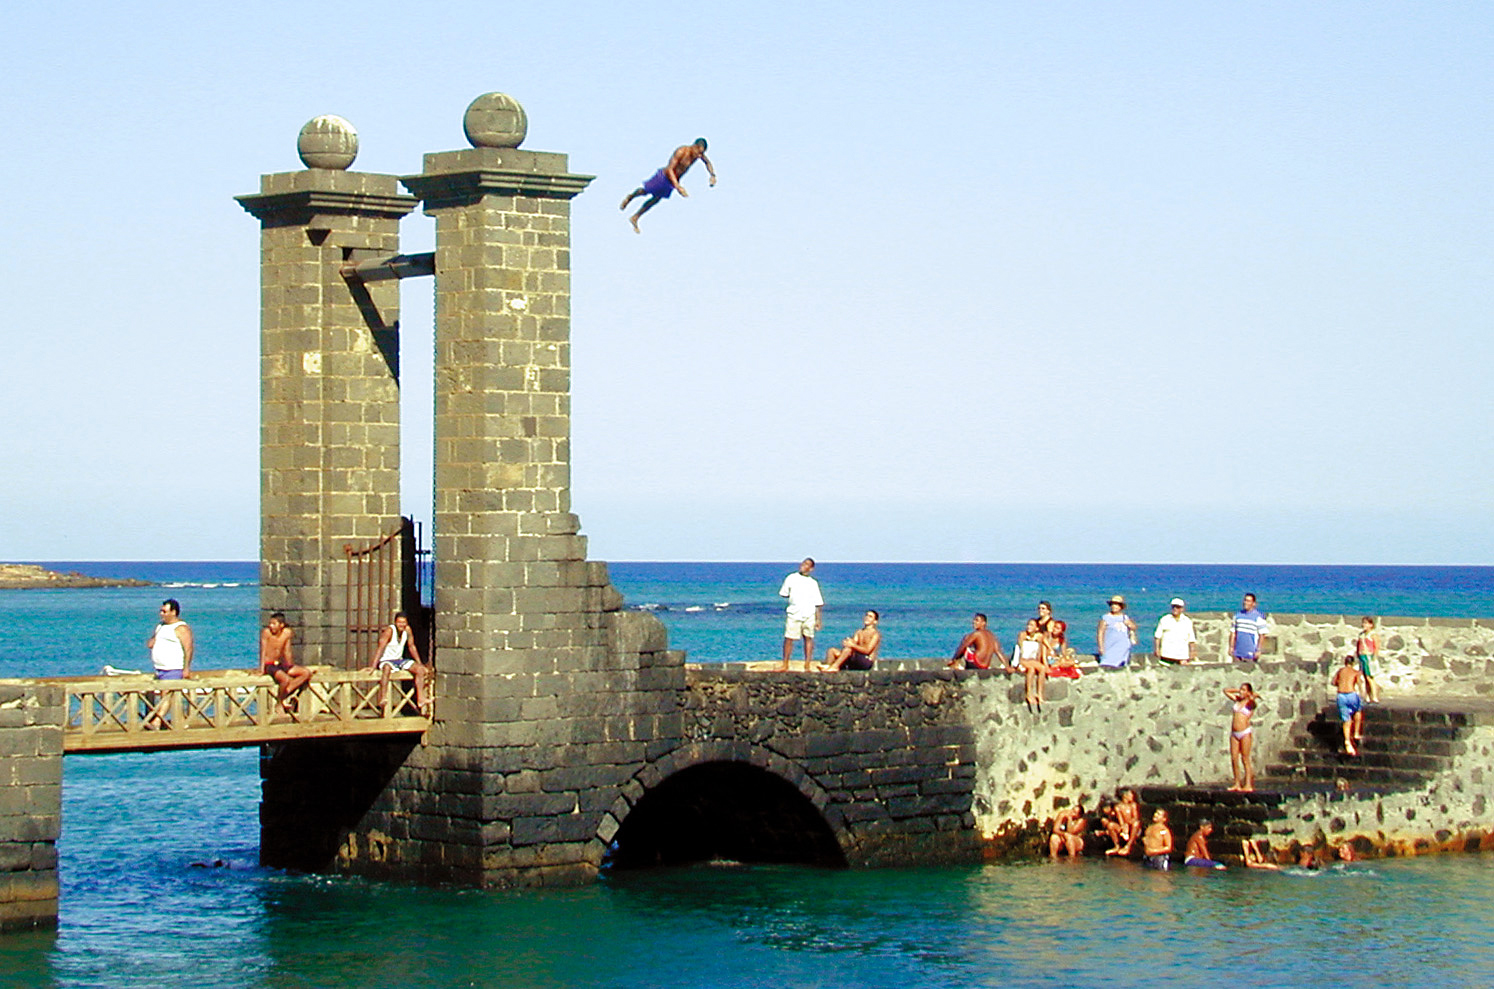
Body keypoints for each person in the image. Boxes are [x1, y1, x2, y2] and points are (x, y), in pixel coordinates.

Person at [619, 138, 716, 233]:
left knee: (656, 199)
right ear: (694, 147)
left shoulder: (698, 155)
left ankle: (635, 217)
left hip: (671, 183)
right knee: (645, 191)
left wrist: (712, 175)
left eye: (701, 154)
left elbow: (707, 163)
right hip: (664, 176)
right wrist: (678, 186)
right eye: (699, 152)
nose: (699, 156)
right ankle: (630, 197)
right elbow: (670, 169)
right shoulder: (682, 151)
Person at [369, 612, 430, 715]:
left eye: (403, 623)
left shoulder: (407, 630)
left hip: (399, 660)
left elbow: (411, 647)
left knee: (420, 670)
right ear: (395, 622)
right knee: (387, 669)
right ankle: (383, 697)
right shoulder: (389, 631)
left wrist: (419, 663)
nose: (401, 625)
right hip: (387, 660)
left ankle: (421, 698)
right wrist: (373, 666)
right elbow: (381, 647)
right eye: (399, 622)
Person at [260, 612, 312, 714]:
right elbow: (263, 651)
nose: (271, 626)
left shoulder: (287, 633)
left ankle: (284, 695)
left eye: (274, 624)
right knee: (285, 679)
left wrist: (290, 665)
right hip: (269, 664)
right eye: (270, 623)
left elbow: (287, 651)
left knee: (306, 673)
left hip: (280, 664)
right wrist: (262, 669)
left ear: (281, 625)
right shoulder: (266, 633)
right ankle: (279, 703)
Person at [778, 558, 824, 671]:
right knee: (789, 638)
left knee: (808, 638)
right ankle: (785, 663)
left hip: (809, 614)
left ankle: (807, 664)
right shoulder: (791, 578)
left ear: (811, 568)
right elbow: (784, 593)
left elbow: (818, 603)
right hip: (794, 613)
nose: (804, 566)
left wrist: (818, 620)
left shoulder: (813, 583)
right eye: (803, 564)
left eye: (807, 565)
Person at [147, 599, 194, 680]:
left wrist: (186, 669)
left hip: (173, 670)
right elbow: (150, 644)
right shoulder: (160, 626)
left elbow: (188, 649)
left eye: (164, 612)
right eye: (161, 611)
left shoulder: (181, 628)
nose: (161, 614)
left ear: (173, 612)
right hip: (159, 669)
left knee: (168, 692)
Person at [1225, 682, 1260, 791]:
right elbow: (1226, 691)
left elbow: (1254, 701)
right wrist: (1238, 690)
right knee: (1234, 758)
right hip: (1234, 733)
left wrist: (1250, 695)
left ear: (1249, 692)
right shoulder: (1237, 700)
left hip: (1244, 732)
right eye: (1241, 689)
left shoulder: (1250, 703)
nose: (1241, 691)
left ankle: (1248, 784)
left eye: (1244, 690)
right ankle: (1237, 783)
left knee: (1245, 758)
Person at [1332, 654, 1366, 755]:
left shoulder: (1340, 671)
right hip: (1351, 694)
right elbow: (1359, 684)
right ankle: (1356, 733)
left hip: (1341, 695)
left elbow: (1334, 682)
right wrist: (1363, 694)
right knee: (1358, 711)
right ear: (1353, 663)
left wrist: (1342, 682)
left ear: (1345, 662)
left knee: (1346, 720)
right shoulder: (1356, 672)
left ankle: (1347, 741)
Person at [1016, 618, 1049, 711]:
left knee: (1042, 668)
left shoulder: (1039, 637)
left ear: (1036, 628)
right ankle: (1029, 693)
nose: (1029, 627)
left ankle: (1039, 693)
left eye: (1031, 625)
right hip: (1023, 659)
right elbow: (1020, 648)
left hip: (1032, 659)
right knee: (1031, 669)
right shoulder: (1023, 635)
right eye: (1028, 625)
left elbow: (1041, 649)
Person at [1097, 595, 1137, 669]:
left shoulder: (1125, 617)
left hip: (1123, 647)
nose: (1114, 606)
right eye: (1113, 604)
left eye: (1117, 604)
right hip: (1110, 646)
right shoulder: (1106, 618)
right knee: (1107, 664)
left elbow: (1134, 627)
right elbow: (1100, 633)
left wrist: (1129, 624)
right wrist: (1101, 647)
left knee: (1121, 666)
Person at [1153, 598, 1197, 665]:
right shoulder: (1165, 619)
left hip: (1182, 656)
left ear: (1182, 609)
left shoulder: (1187, 621)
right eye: (1174, 607)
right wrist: (1157, 649)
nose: (1175, 609)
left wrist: (1192, 652)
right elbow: (1158, 636)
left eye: (1178, 607)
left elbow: (1191, 639)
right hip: (1166, 654)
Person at [1229, 593, 1271, 662]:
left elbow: (1262, 635)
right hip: (1237, 653)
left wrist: (1258, 650)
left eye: (1248, 601)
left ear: (1253, 603)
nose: (1245, 603)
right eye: (1245, 600)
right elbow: (1233, 633)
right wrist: (1231, 647)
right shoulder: (1237, 616)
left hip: (1251, 654)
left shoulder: (1258, 617)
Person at [1105, 788, 1142, 856]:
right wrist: (1123, 827)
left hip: (1132, 827)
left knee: (1136, 823)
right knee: (1111, 825)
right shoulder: (1118, 807)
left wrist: (1127, 824)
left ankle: (1128, 846)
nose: (1132, 796)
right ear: (1125, 796)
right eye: (1130, 794)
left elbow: (1135, 818)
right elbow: (1120, 820)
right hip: (1124, 827)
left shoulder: (1133, 805)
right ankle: (1117, 846)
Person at [1355, 616, 1382, 703]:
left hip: (1368, 657)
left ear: (1371, 625)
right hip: (1362, 657)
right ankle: (1368, 695)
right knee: (1364, 678)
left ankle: (1374, 696)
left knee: (1369, 676)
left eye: (1366, 623)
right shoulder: (1361, 635)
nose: (1364, 625)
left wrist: (1375, 657)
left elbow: (1376, 646)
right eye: (1363, 623)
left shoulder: (1373, 634)